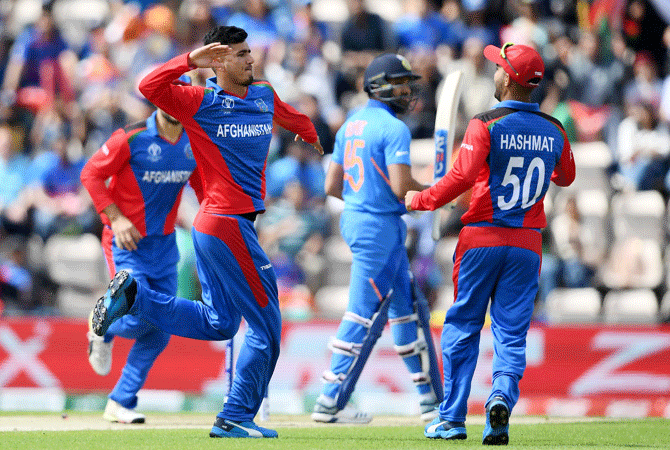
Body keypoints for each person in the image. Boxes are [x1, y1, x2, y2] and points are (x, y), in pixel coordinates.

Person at [88, 25, 322, 438]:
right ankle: (235, 416)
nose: (250, 59)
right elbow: (148, 84)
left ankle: (134, 297)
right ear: (218, 61)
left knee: (221, 324)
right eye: (240, 54)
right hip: (226, 223)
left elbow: (291, 115)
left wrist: (317, 137)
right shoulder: (199, 102)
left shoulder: (263, 94)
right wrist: (190, 60)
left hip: (221, 226)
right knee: (267, 325)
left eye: (251, 52)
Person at [406, 43, 575, 444]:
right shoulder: (554, 128)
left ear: (508, 78)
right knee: (512, 334)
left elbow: (460, 179)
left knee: (463, 326)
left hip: (482, 238)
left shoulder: (485, 123)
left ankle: (451, 419)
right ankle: (500, 397)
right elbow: (565, 177)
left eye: (499, 67)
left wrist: (422, 198)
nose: (495, 72)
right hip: (527, 244)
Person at [312, 53, 443, 424]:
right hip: (379, 227)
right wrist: (437, 192)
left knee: (406, 312)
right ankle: (328, 399)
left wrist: (364, 199)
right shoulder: (393, 127)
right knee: (361, 312)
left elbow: (331, 185)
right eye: (400, 82)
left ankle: (429, 401)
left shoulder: (350, 124)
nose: (407, 90)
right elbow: (403, 187)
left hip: (358, 220)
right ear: (380, 84)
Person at [80, 76, 201, 423]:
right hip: (125, 242)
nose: (175, 102)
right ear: (158, 99)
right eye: (170, 95)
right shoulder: (131, 137)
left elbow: (202, 185)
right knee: (135, 316)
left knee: (160, 328)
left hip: (164, 245)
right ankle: (100, 325)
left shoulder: (194, 139)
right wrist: (115, 218)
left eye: (183, 95)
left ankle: (121, 400)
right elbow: (90, 174)